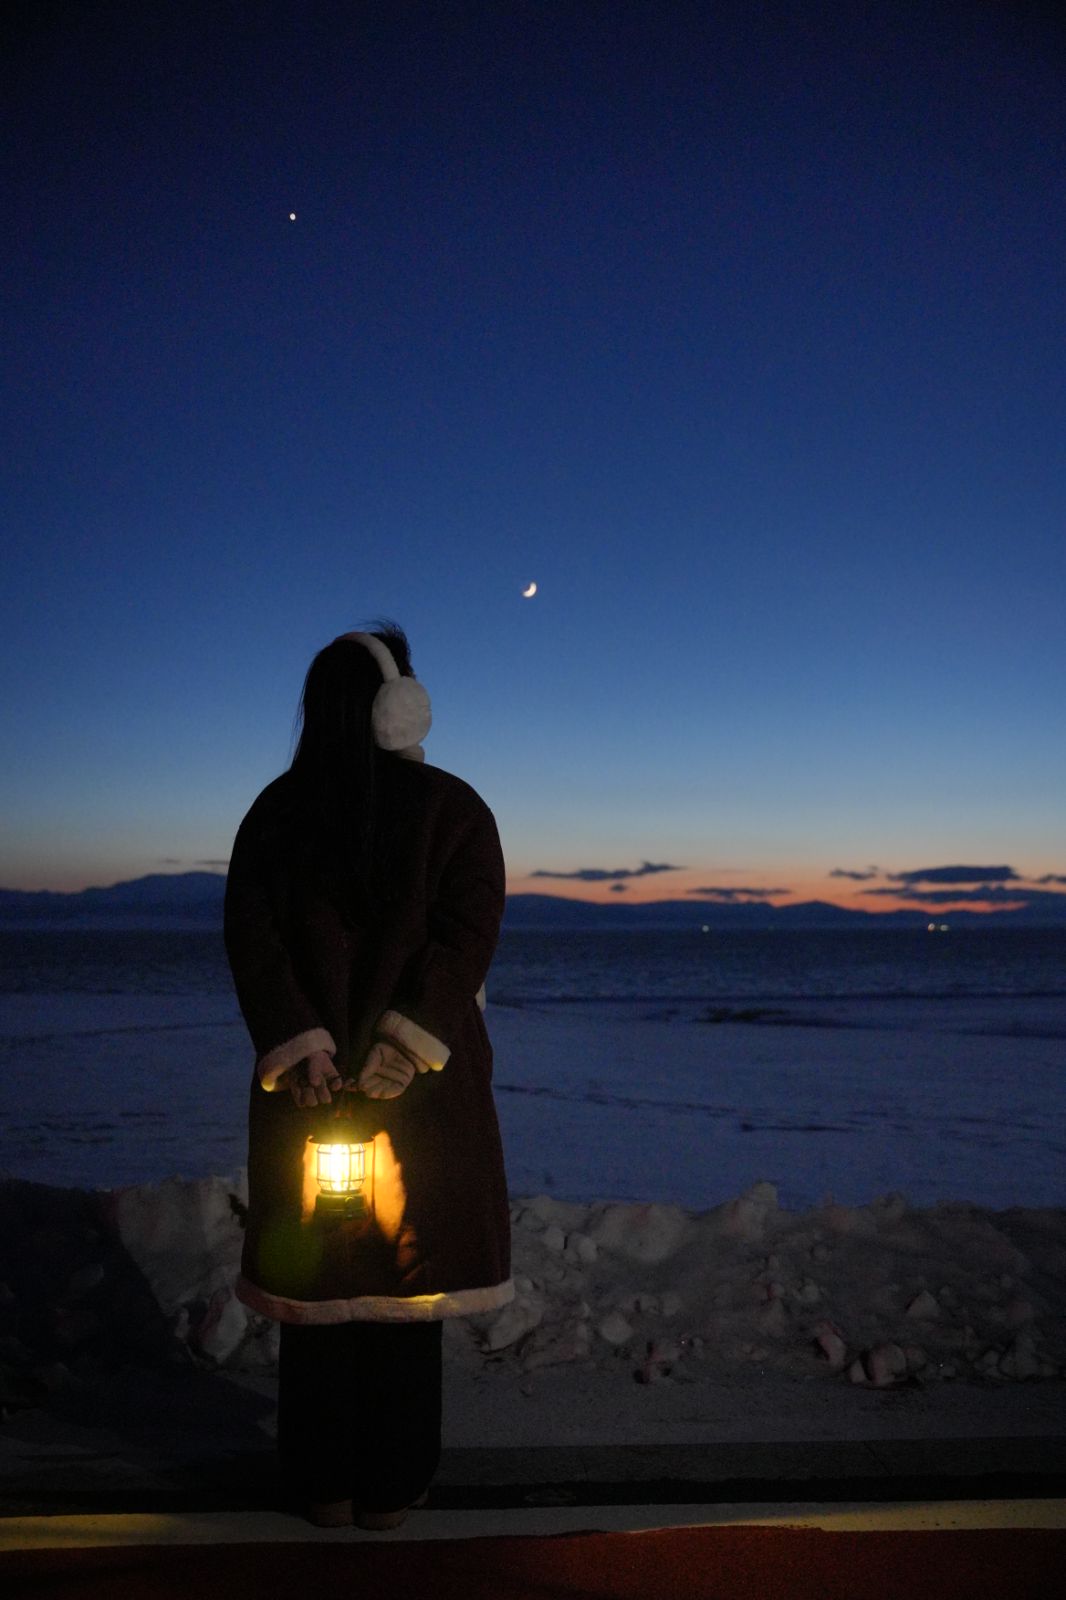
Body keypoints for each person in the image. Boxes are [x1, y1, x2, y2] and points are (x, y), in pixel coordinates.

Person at [224, 624, 512, 1529]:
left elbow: (254, 942)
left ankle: (321, 1482)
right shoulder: (454, 808)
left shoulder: (275, 812)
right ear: (400, 706)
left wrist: (301, 1041)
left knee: (317, 1284)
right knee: (406, 1279)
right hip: (419, 1093)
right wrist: (407, 1040)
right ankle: (394, 1483)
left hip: (307, 1091)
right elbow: (467, 935)